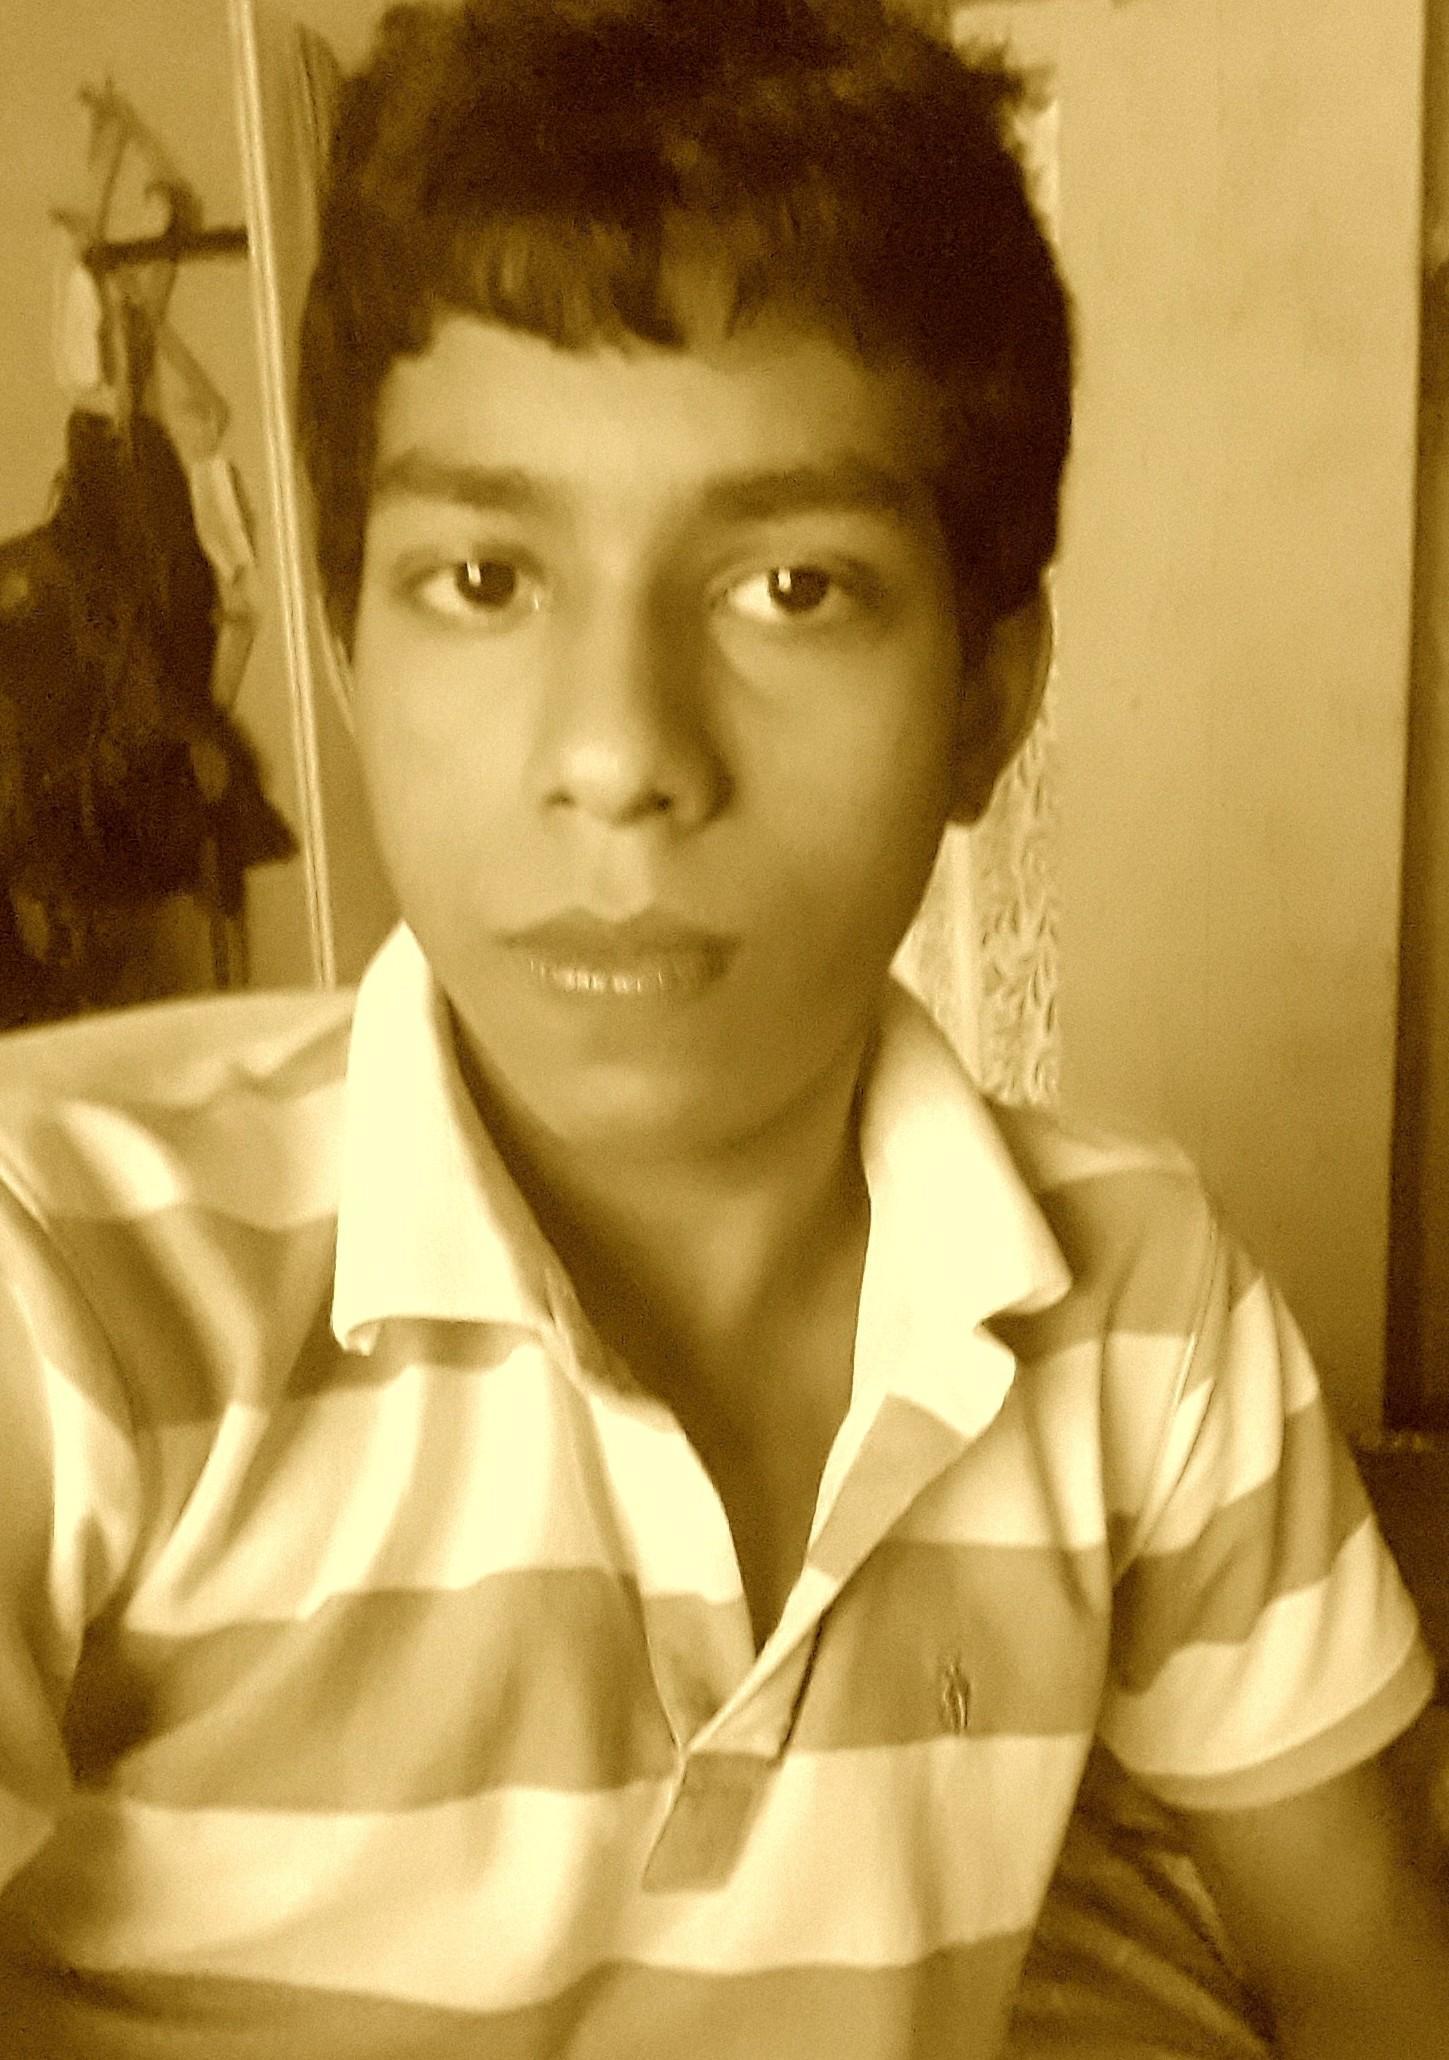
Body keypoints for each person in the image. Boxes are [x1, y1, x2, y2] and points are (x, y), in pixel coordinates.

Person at [0, 1, 1445, 2052]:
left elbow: (1368, 1974)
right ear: (343, 653)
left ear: (986, 704)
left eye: (792, 588)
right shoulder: (59, 1280)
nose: (617, 754)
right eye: (482, 577)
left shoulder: (1140, 1307)